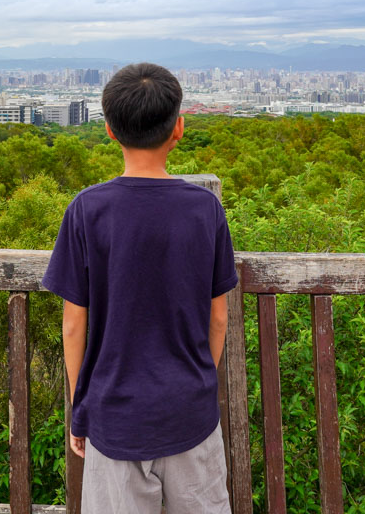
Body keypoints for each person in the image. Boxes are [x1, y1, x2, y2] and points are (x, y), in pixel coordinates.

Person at [40, 62, 237, 513]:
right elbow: (219, 316)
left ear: (108, 130)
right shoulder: (204, 209)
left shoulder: (87, 210)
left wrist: (79, 407)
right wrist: (199, 381)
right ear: (179, 128)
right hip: (190, 411)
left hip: (114, 415)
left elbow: (74, 326)